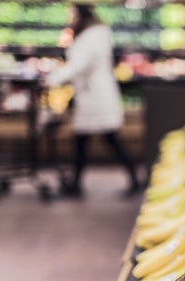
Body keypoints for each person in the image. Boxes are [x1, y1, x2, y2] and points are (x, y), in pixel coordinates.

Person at [45, 3, 141, 198]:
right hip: (91, 95)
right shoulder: (95, 35)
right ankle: (77, 183)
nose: (70, 18)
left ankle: (133, 179)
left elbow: (79, 65)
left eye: (72, 14)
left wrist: (53, 78)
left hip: (96, 97)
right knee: (83, 140)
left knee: (108, 139)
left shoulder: (91, 37)